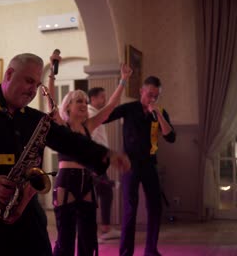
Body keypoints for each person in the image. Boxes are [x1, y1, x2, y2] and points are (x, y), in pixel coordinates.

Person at [0, 53, 130, 256]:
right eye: (29, 81)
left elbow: (70, 141)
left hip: (28, 220)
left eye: (37, 84)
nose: (33, 90)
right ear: (9, 74)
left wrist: (106, 154)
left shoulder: (35, 120)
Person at [48, 61, 133, 256]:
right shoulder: (62, 126)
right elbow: (51, 103)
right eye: (79, 101)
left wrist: (123, 80)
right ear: (67, 106)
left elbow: (111, 106)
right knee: (66, 236)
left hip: (86, 180)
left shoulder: (89, 125)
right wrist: (52, 74)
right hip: (66, 180)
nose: (84, 105)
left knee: (88, 236)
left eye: (85, 102)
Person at [105, 76, 176, 256]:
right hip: (130, 165)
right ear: (141, 91)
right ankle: (125, 253)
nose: (152, 99)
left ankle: (151, 250)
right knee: (130, 208)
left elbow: (171, 137)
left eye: (156, 96)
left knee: (155, 207)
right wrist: (122, 82)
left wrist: (158, 114)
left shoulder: (159, 112)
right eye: (149, 94)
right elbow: (107, 116)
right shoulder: (130, 108)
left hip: (150, 164)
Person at [87, 87, 121, 242]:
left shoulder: (95, 113)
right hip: (93, 163)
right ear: (93, 98)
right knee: (92, 197)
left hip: (99, 163)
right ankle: (92, 233)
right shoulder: (90, 113)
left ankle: (106, 229)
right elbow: (90, 140)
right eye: (102, 97)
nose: (104, 100)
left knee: (106, 192)